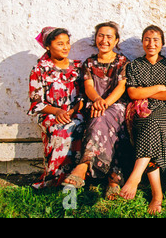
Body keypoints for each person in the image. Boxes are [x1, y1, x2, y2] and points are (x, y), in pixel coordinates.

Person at [62, 22, 131, 200]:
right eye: (100, 35)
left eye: (109, 37)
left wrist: (106, 103)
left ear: (116, 40)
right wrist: (98, 100)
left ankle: (84, 165)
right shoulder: (89, 62)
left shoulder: (123, 62)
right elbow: (89, 85)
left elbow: (121, 87)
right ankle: (114, 179)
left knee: (102, 118)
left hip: (116, 106)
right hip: (95, 104)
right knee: (100, 118)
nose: (104, 40)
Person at [119, 25, 166, 215]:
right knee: (151, 130)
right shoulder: (135, 65)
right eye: (147, 39)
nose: (151, 44)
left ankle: (135, 176)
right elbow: (133, 93)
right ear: (142, 42)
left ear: (162, 44)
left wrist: (150, 91)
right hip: (140, 111)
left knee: (152, 124)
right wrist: (158, 87)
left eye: (155, 40)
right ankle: (157, 194)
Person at [28, 27, 84, 189]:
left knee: (80, 126)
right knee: (60, 129)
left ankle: (75, 176)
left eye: (67, 43)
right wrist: (57, 112)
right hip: (51, 114)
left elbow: (83, 97)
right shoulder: (39, 70)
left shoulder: (78, 68)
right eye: (60, 44)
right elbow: (36, 102)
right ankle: (54, 178)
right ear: (48, 46)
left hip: (75, 112)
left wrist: (72, 111)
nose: (66, 47)